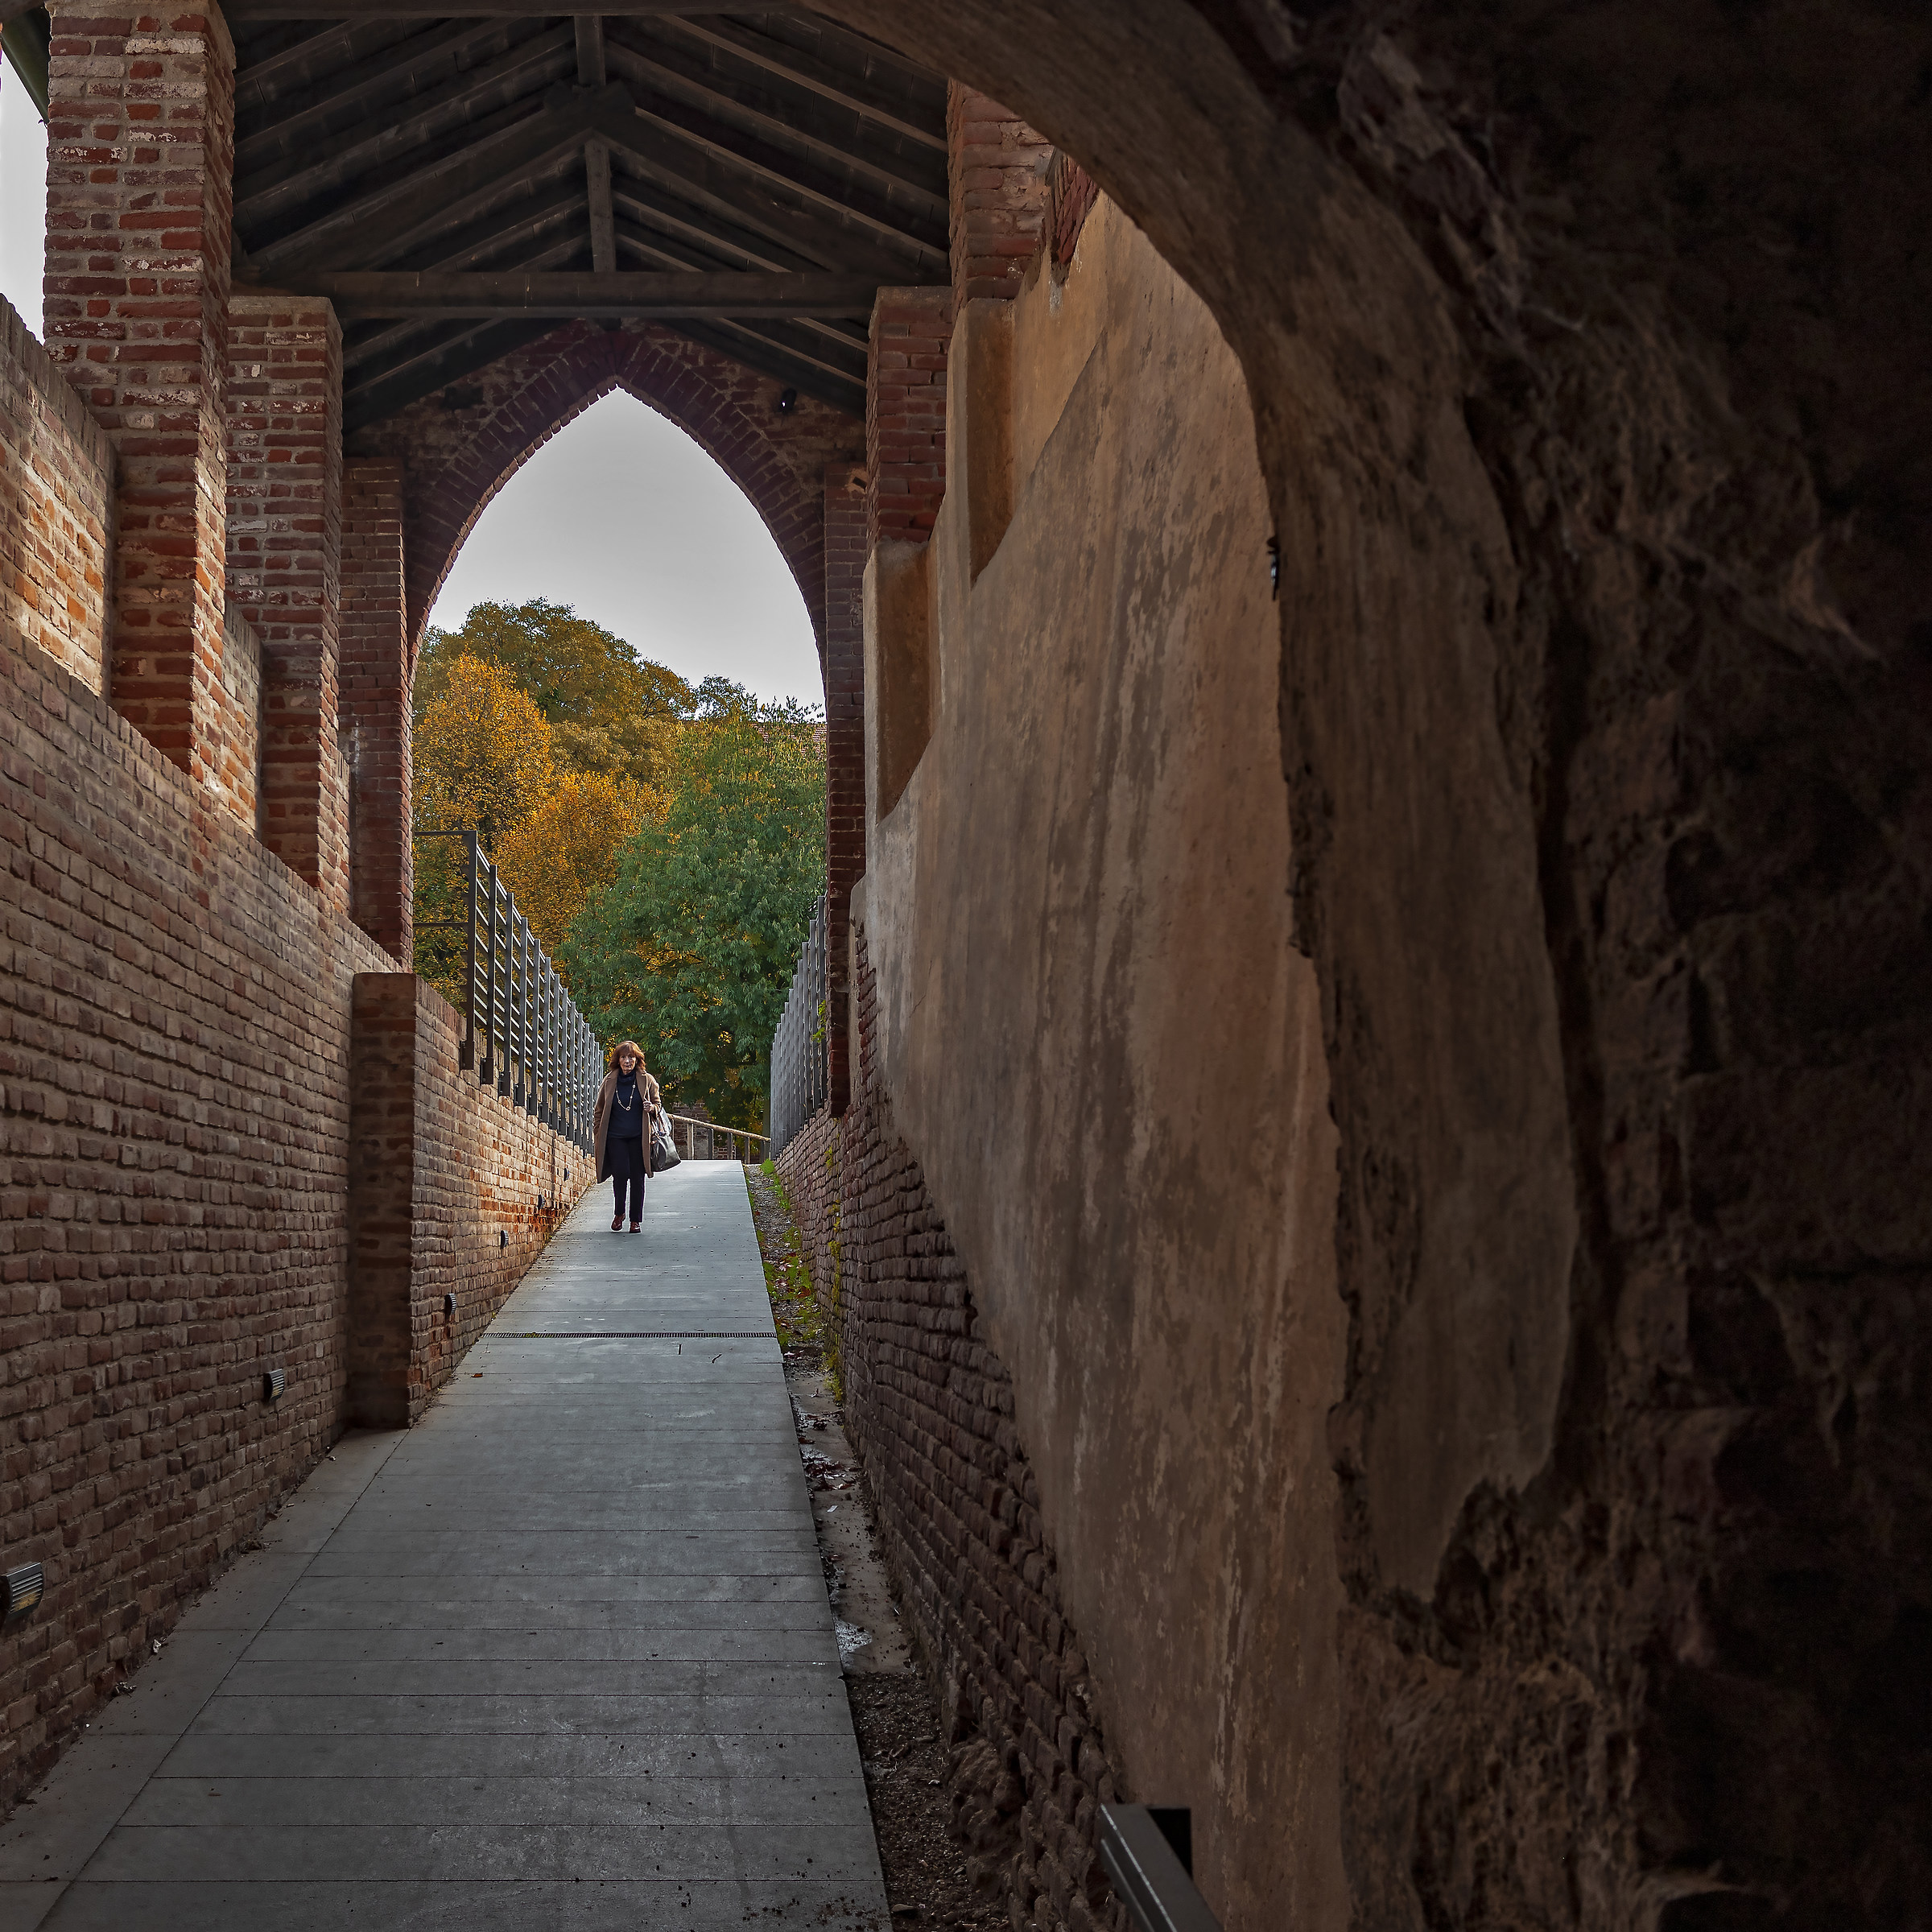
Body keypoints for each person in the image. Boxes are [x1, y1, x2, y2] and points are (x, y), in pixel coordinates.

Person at [592, 1041, 650, 1232]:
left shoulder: (646, 1079)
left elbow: (657, 1103)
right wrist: (598, 1132)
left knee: (637, 1177)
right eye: (624, 1057)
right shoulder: (609, 1081)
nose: (627, 1061)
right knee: (620, 1175)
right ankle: (619, 1213)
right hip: (615, 1137)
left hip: (638, 1137)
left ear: (637, 1059)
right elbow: (599, 1110)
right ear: (618, 1060)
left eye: (631, 1057)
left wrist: (653, 1108)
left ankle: (635, 1220)